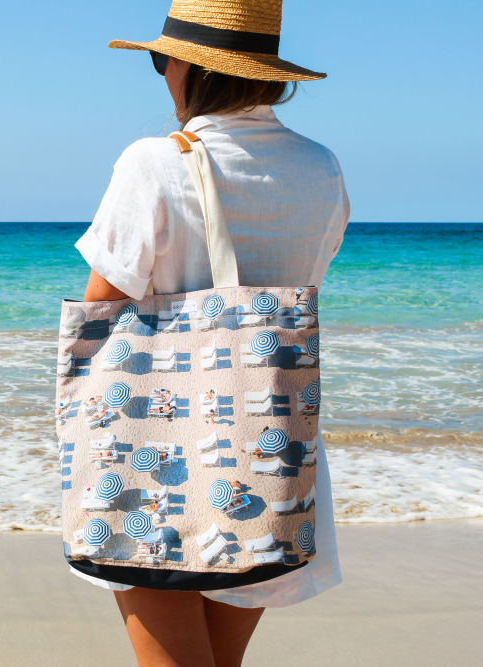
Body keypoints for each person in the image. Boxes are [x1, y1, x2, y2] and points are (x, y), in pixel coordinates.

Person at [69, 1, 348, 664]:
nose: (162, 74)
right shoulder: (322, 168)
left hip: (156, 450)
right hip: (268, 456)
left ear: (193, 67)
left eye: (160, 60)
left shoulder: (153, 163)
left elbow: (102, 310)